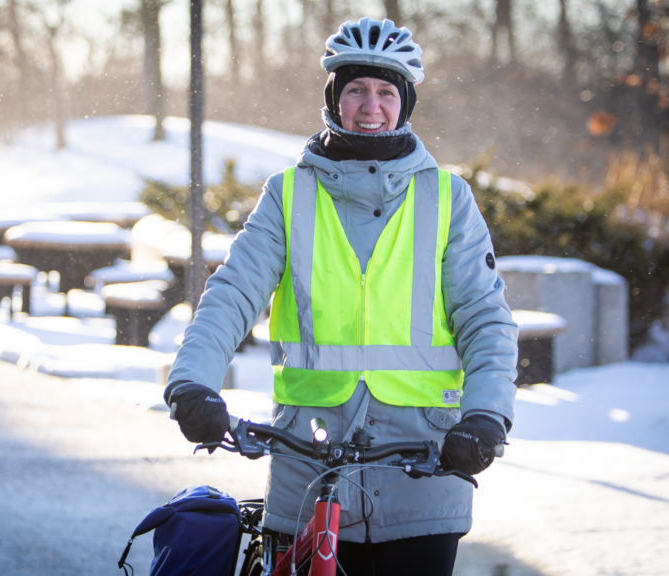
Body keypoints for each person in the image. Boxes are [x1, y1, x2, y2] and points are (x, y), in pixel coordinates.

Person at [164, 17, 518, 576]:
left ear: (405, 105)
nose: (370, 106)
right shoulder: (288, 195)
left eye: (385, 92)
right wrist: (192, 383)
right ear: (334, 98)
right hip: (306, 461)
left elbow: (485, 320)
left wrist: (486, 417)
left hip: (424, 467)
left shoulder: (448, 198)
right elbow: (231, 295)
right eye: (355, 89)